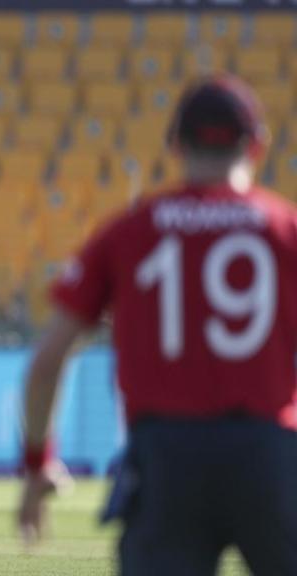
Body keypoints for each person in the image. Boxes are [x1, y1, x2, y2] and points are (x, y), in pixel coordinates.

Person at [18, 74, 297, 576]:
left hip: (167, 460)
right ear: (257, 145)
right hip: (270, 455)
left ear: (174, 143)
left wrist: (39, 463)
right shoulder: (285, 229)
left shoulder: (131, 230)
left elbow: (48, 360)